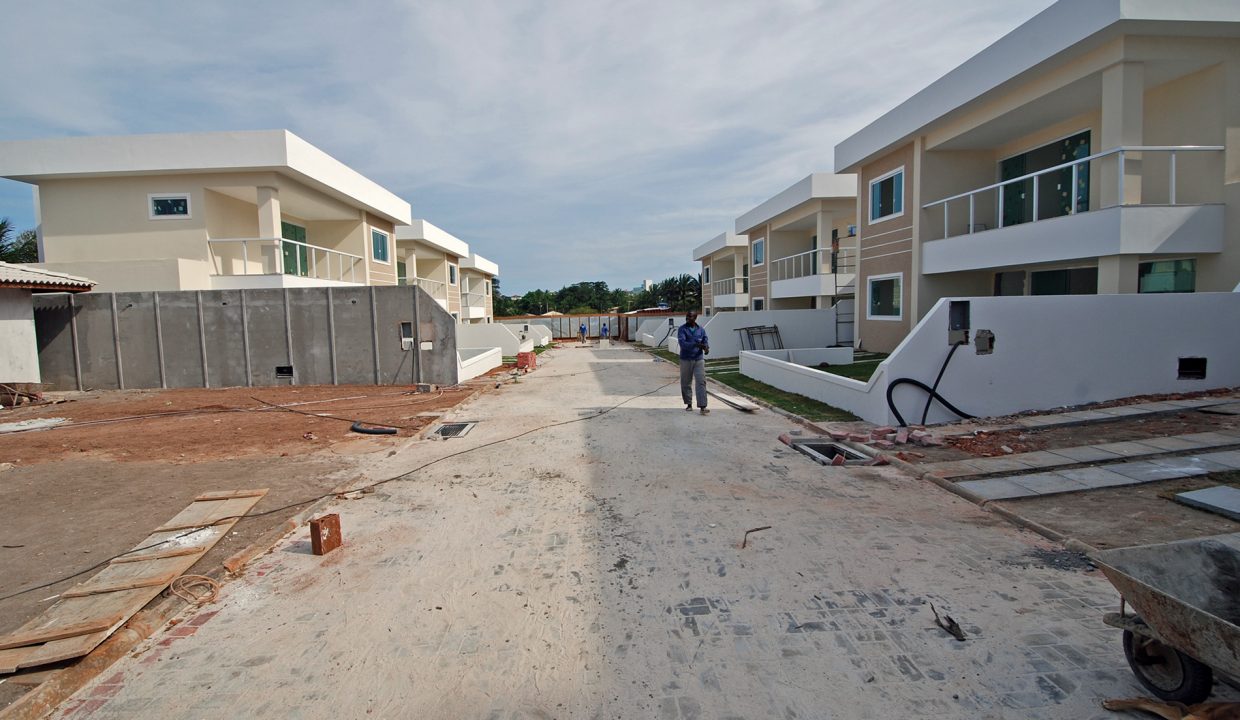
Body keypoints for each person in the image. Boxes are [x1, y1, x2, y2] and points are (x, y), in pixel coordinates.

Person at [677, 311, 709, 415]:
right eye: (687, 316)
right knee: (686, 382)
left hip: (698, 359)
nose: (688, 318)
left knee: (701, 381)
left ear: (695, 318)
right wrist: (695, 345)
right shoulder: (682, 329)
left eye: (690, 316)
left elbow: (705, 340)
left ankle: (702, 406)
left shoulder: (701, 330)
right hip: (686, 359)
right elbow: (682, 343)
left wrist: (706, 348)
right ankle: (689, 404)